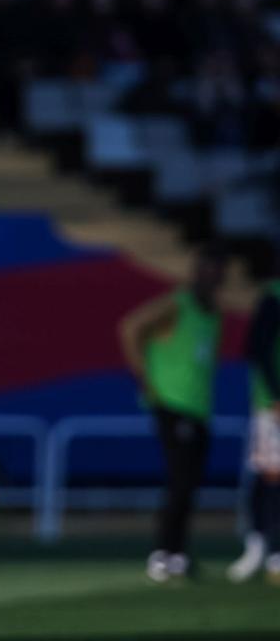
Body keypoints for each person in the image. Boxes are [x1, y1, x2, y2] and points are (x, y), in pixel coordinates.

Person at [119, 243, 227, 583]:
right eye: (208, 270)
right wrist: (146, 380)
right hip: (172, 405)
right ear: (196, 273)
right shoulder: (176, 305)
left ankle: (178, 552)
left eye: (219, 271)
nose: (214, 278)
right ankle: (163, 553)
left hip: (198, 409)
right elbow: (130, 328)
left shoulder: (211, 311)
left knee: (190, 484)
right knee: (179, 482)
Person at [229, 253, 280, 584]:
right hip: (274, 406)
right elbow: (256, 348)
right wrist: (276, 396)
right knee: (271, 476)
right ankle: (267, 549)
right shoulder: (274, 296)